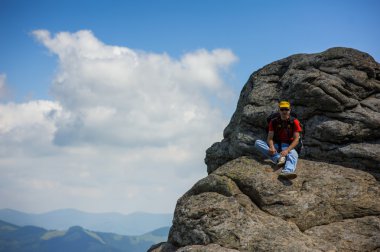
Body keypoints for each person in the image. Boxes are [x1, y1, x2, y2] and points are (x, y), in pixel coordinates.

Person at [254, 101, 302, 179]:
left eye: (286, 109)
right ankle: (278, 159)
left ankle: (287, 172)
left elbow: (296, 139)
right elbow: (269, 138)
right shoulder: (273, 122)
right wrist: (272, 147)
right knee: (257, 143)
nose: (284, 111)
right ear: (279, 110)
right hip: (277, 145)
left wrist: (287, 150)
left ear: (290, 110)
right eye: (282, 109)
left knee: (293, 154)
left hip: (289, 146)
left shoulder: (294, 122)